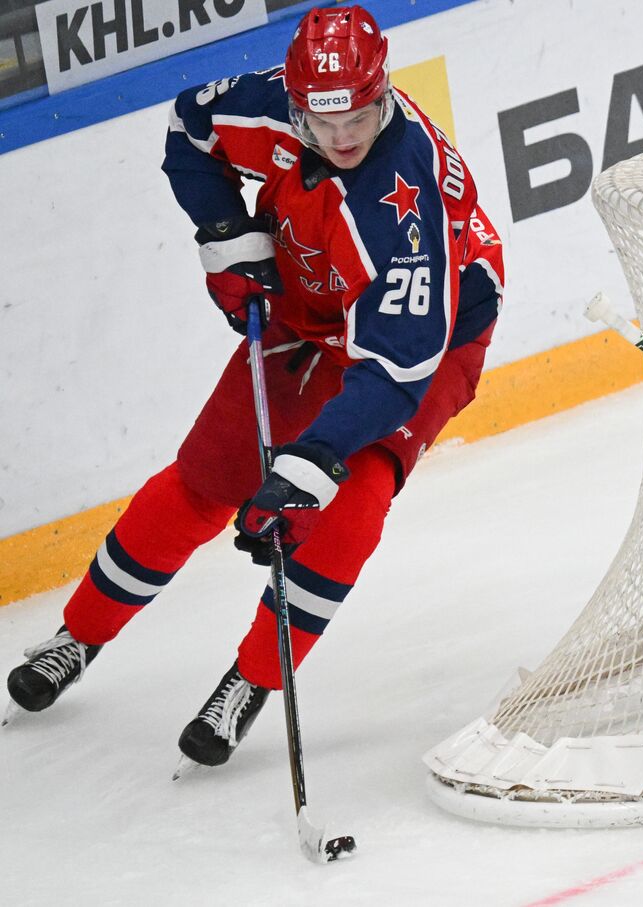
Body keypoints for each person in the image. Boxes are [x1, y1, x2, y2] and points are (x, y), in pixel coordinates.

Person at [6, 6, 504, 767]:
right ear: (297, 98)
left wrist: (308, 463)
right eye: (320, 119)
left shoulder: (401, 206)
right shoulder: (274, 104)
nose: (341, 138)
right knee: (206, 479)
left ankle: (252, 677)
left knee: (353, 498)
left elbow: (395, 369)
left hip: (424, 343)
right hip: (310, 303)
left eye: (359, 119)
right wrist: (228, 238)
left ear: (384, 93)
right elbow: (189, 132)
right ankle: (77, 634)